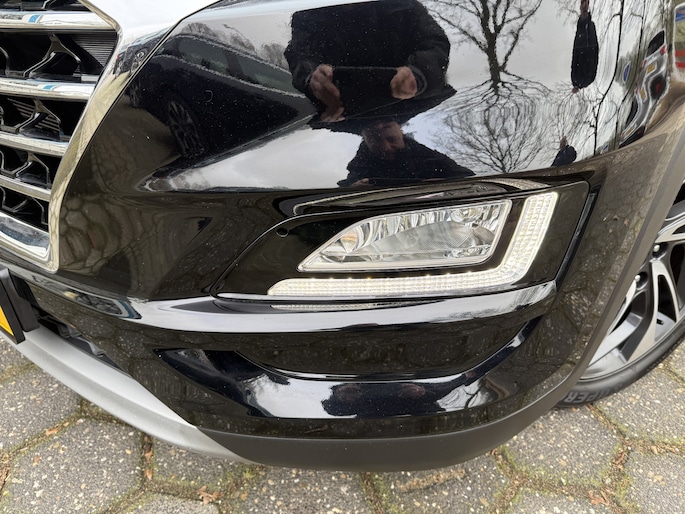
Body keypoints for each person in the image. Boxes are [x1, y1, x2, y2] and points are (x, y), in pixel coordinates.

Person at [284, 0, 451, 121]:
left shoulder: (405, 5)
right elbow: (300, 56)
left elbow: (436, 45)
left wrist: (419, 73)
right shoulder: (306, 15)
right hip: (343, 115)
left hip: (417, 107)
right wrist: (313, 79)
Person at [338, 120, 474, 187]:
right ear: (365, 140)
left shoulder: (428, 156)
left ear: (401, 131)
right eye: (376, 141)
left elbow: (468, 179)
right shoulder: (359, 166)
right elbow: (342, 193)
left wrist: (442, 184)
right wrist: (354, 188)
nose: (386, 147)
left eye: (392, 139)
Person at [571, 0, 599, 92]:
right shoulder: (579, 29)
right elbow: (575, 54)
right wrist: (578, 85)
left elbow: (595, 51)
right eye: (582, 3)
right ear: (580, 7)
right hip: (582, 78)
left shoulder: (591, 26)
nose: (584, 5)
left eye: (586, 3)